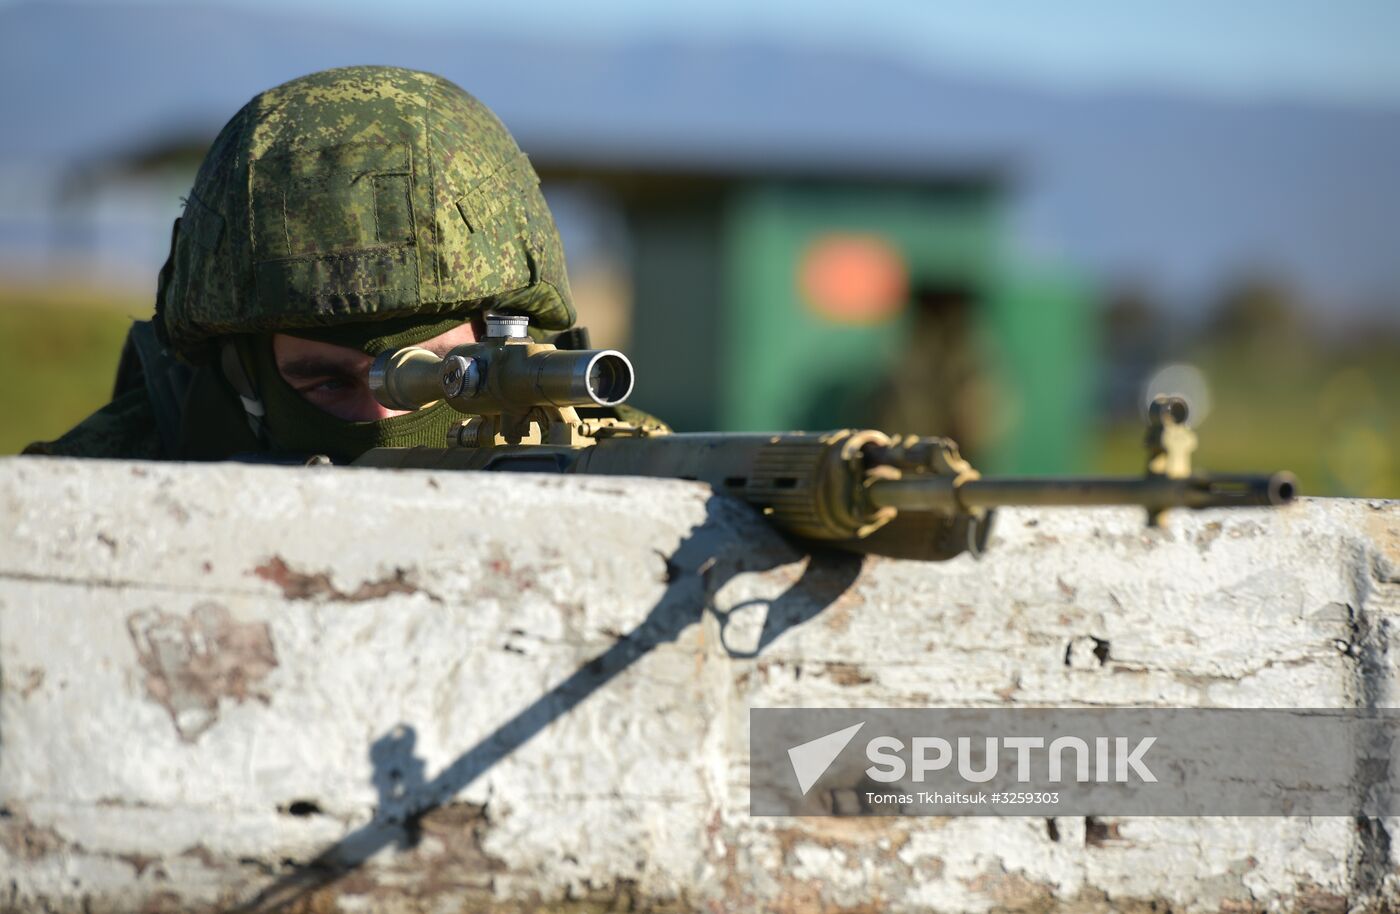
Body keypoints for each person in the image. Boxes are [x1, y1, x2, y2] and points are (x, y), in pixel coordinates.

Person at [26, 65, 642, 463]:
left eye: (450, 374)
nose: (382, 417)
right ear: (242, 374)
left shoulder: (624, 463)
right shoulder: (90, 494)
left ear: (508, 339)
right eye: (327, 384)